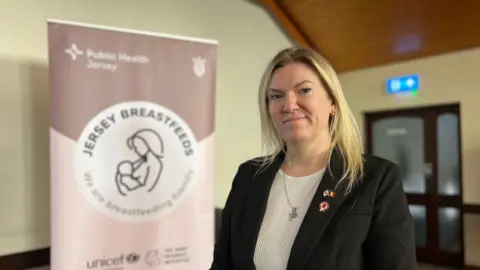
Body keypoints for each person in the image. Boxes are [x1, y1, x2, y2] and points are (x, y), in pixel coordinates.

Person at [210, 47, 416, 270]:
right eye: (276, 96)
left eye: (304, 90)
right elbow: (223, 265)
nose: (289, 105)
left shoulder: (376, 178)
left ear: (332, 104)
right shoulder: (249, 175)